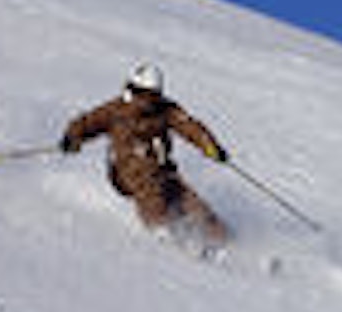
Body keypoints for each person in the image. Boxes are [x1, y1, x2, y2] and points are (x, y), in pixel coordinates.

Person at [60, 62, 231, 248]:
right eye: (145, 95)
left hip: (163, 169)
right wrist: (72, 137)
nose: (149, 102)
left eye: (154, 96)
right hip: (126, 170)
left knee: (188, 200)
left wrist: (210, 146)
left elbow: (189, 126)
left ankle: (222, 240)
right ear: (134, 89)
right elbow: (89, 122)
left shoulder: (164, 110)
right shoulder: (116, 110)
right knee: (147, 178)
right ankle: (161, 232)